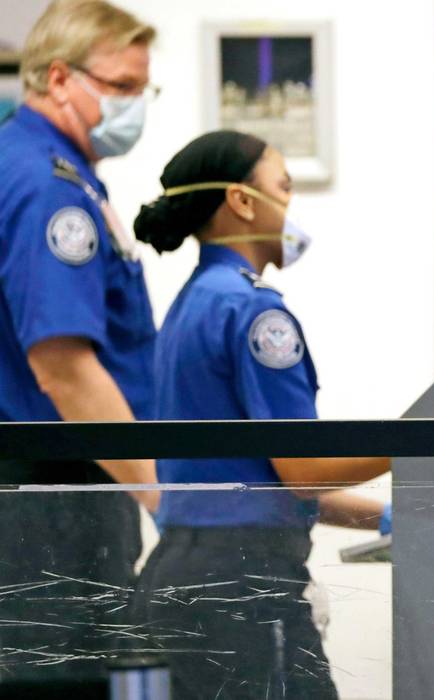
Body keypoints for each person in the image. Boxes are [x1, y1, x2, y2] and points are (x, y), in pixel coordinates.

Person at [128, 130, 391, 700]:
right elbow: (304, 472)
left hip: (186, 577)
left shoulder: (192, 305)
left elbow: (259, 483)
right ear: (242, 202)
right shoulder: (253, 312)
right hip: (241, 591)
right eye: (284, 187)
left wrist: (388, 520)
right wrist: (419, 440)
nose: (290, 205)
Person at [0, 0, 158, 690]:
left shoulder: (52, 167)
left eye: (143, 90)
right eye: (122, 88)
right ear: (60, 79)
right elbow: (64, 369)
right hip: (51, 505)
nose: (135, 106)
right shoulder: (47, 187)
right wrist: (169, 501)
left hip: (63, 494)